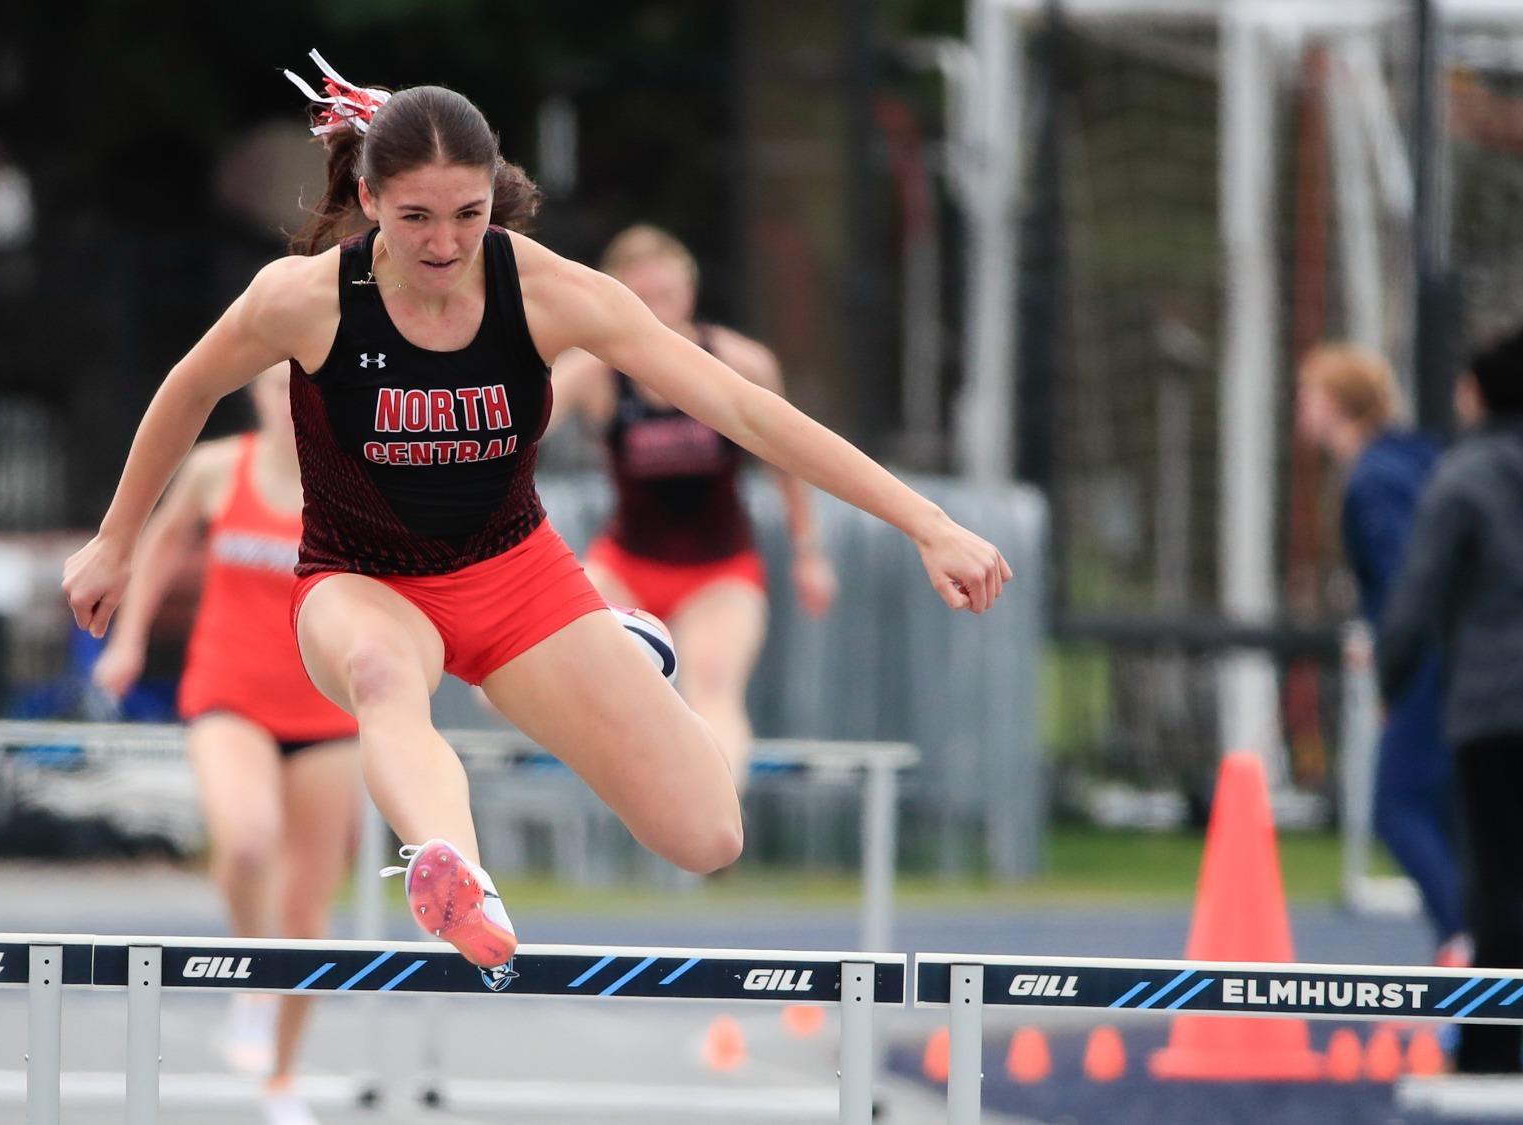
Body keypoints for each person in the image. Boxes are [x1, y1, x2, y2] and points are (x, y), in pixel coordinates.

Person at [64, 52, 1011, 978]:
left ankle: (623, 650)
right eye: (416, 219)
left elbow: (748, 411)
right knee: (383, 676)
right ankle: (458, 876)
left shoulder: (550, 291)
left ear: (495, 199)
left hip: (515, 577)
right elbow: (185, 392)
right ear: (366, 201)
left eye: (468, 216)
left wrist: (924, 519)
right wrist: (115, 542)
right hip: (360, 580)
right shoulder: (305, 301)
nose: (443, 245)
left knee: (708, 832)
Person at [89, 362, 358, 1124]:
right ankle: (252, 971)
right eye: (280, 387)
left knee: (309, 917)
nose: (291, 403)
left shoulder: (354, 481)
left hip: (325, 710)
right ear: (258, 395)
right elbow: (160, 544)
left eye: (307, 391)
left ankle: (280, 1079)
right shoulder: (217, 469)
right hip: (227, 697)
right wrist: (129, 641)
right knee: (245, 841)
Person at [551, 224, 837, 785]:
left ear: (690, 295)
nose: (656, 314)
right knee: (570, 654)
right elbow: (516, 425)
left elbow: (788, 463)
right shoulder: (597, 371)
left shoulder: (741, 363)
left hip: (719, 571)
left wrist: (811, 552)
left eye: (667, 298)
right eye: (641, 301)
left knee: (712, 681)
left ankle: (720, 812)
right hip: (627, 565)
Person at [1379, 322, 1523, 1074]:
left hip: (1496, 707)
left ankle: (1491, 1050)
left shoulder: (1466, 474)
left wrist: (1391, 680)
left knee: (1498, 885)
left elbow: (1417, 595)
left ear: (1480, 394)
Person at [1293, 344, 1468, 967]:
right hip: (1463, 657)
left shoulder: (1374, 478)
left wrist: (1392, 665)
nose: (1302, 412)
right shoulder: (1417, 458)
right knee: (1450, 812)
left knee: (1398, 806)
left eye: (1309, 397)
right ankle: (1484, 955)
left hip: (1432, 659)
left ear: (1336, 404)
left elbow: (1407, 583)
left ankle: (1462, 942)